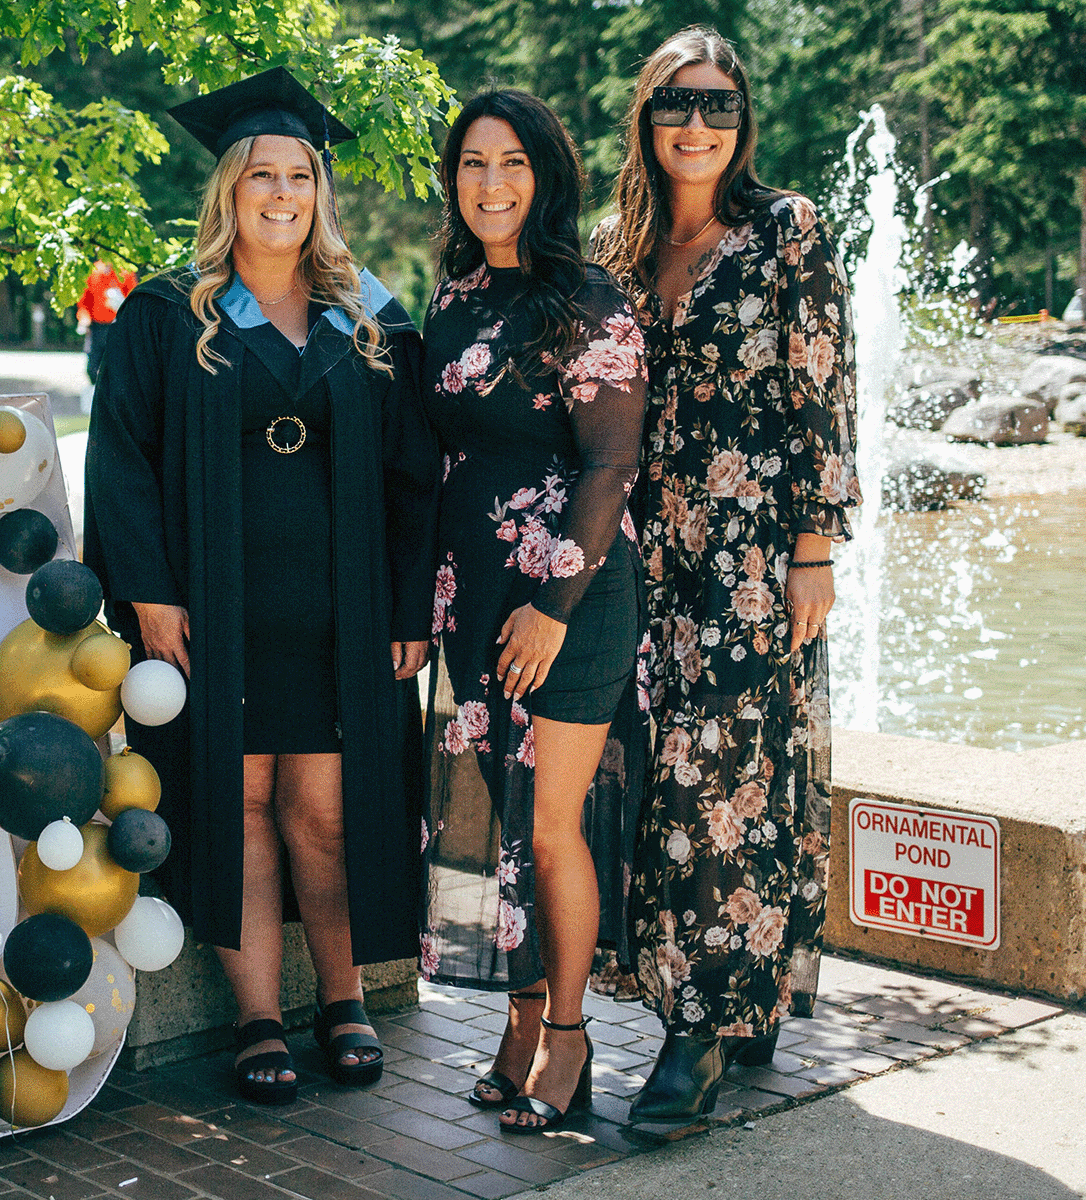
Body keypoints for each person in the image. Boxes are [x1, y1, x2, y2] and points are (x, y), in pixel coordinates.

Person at [84, 67, 438, 1105]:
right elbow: (123, 459)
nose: (281, 193)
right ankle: (253, 1018)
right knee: (236, 803)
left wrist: (411, 607)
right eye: (261, 176)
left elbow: (418, 476)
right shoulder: (165, 314)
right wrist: (148, 594)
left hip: (342, 608)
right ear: (230, 192)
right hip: (216, 609)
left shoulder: (373, 319)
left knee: (324, 812)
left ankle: (341, 1000)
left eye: (300, 175)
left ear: (320, 194)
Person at [591, 26, 860, 1121]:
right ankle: (732, 999)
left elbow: (825, 395)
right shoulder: (611, 244)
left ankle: (695, 1035)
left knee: (727, 784)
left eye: (717, 106)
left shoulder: (786, 231)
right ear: (646, 118)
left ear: (743, 124)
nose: (696, 125)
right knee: (654, 777)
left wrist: (813, 550)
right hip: (634, 553)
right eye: (675, 104)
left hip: (748, 559)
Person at [418, 90, 648, 1133]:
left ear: (545, 175)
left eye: (512, 163)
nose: (492, 183)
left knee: (551, 829)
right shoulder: (452, 299)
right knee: (495, 823)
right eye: (473, 162)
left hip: (573, 594)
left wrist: (554, 605)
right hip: (473, 593)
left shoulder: (588, 298)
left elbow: (611, 461)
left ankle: (569, 1039)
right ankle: (515, 1025)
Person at [77, 258, 136, 393]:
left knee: (118, 366)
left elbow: (133, 300)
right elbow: (84, 303)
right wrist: (84, 319)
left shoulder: (125, 272)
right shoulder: (93, 272)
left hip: (118, 327)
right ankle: (99, 395)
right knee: (92, 368)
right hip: (97, 328)